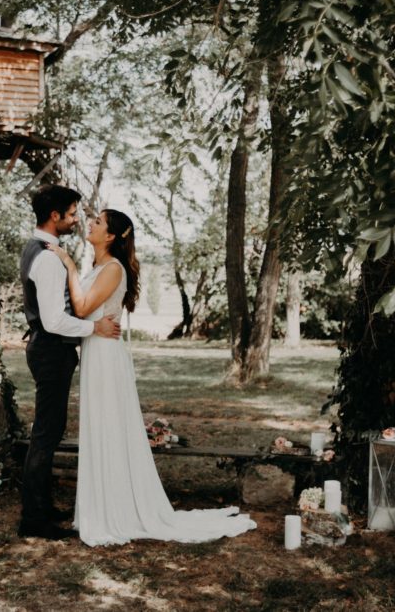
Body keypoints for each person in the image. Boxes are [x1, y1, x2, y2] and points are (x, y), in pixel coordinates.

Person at [48, 209, 257, 547]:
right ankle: (102, 504)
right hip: (95, 352)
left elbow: (83, 307)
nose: (91, 223)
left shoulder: (113, 269)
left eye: (98, 222)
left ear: (112, 236)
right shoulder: (100, 267)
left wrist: (69, 267)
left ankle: (116, 510)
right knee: (100, 427)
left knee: (109, 428)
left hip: (105, 356)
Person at [18, 185, 121, 541]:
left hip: (50, 350)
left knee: (49, 431)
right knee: (46, 435)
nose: (77, 219)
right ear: (55, 215)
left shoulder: (44, 250)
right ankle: (34, 519)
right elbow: (53, 320)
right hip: (50, 349)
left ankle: (42, 507)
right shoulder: (46, 257)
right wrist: (95, 327)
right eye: (73, 213)